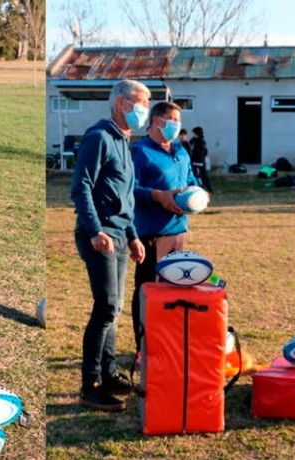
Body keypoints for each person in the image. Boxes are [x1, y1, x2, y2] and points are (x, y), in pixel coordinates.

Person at [70, 79, 147, 412]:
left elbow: (124, 196)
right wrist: (95, 230)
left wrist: (131, 236)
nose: (143, 110)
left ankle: (110, 372)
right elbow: (81, 188)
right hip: (100, 237)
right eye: (139, 103)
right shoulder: (100, 138)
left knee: (112, 311)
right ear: (121, 103)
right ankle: (90, 385)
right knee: (105, 309)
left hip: (118, 235)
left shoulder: (124, 142)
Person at [130, 102, 198, 365]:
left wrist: (197, 194)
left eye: (178, 120)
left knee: (175, 289)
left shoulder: (180, 149)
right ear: (156, 121)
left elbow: (190, 178)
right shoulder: (139, 151)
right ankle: (142, 346)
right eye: (170, 119)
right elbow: (131, 188)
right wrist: (157, 196)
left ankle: (168, 341)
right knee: (148, 290)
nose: (175, 125)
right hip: (150, 233)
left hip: (177, 230)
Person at [189, 126, 212, 192]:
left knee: (203, 176)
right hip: (194, 161)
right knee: (195, 175)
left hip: (199, 161)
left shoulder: (201, 141)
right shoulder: (194, 140)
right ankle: (197, 187)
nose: (194, 135)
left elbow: (204, 151)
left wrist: (200, 159)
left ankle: (208, 189)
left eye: (194, 133)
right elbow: (189, 144)